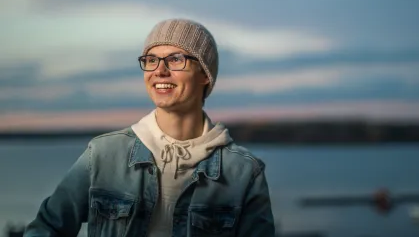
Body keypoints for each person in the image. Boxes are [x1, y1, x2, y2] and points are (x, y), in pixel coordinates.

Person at [24, 18, 275, 236]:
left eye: (175, 59)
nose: (160, 71)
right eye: (151, 60)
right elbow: (46, 228)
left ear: (205, 75)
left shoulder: (244, 173)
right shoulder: (103, 154)